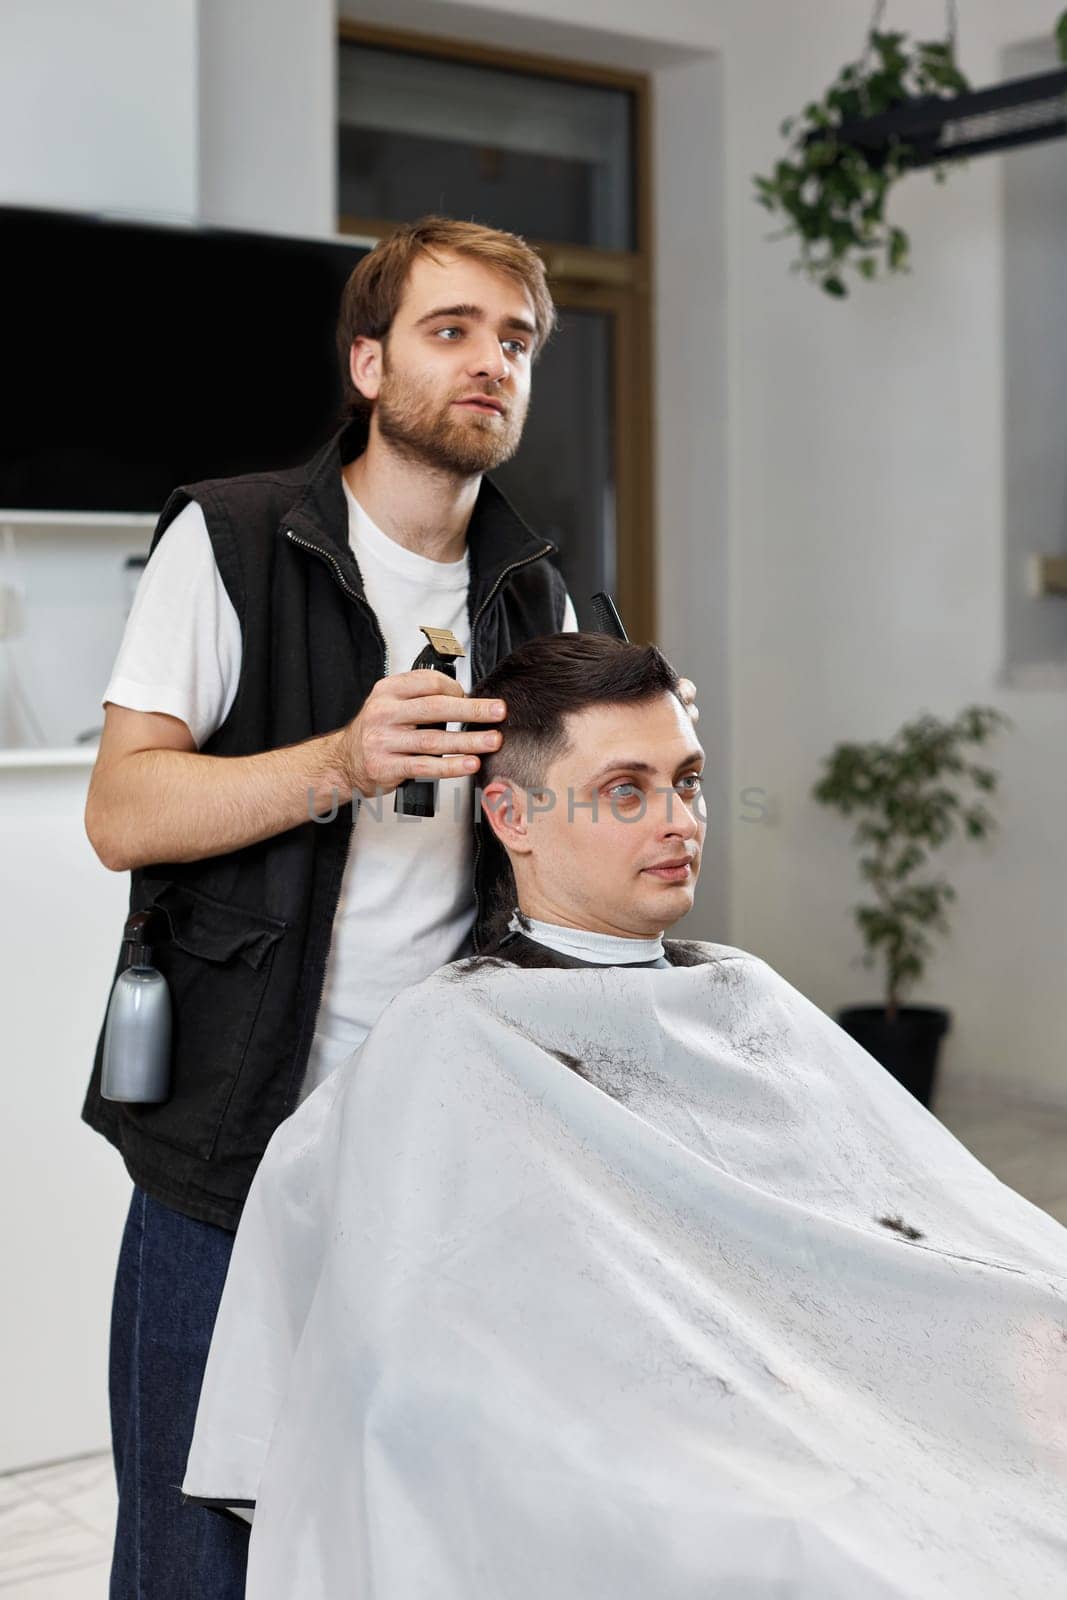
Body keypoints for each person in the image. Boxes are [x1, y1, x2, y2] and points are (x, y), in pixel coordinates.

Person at [183, 633, 1067, 1600]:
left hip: (811, 1399)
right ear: (512, 815)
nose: (679, 820)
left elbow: (891, 1223)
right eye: (625, 791)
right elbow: (423, 1364)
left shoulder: (744, 995)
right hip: (643, 1453)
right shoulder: (448, 1042)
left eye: (687, 781)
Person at [81, 216, 698, 1598]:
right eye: (452, 329)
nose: (492, 362)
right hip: (227, 1156)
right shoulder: (230, 541)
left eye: (517, 341)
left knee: (395, 1538)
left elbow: (545, 845)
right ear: (366, 364)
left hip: (435, 1152)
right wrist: (337, 764)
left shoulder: (531, 589)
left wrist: (637, 775)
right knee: (191, 1554)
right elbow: (123, 813)